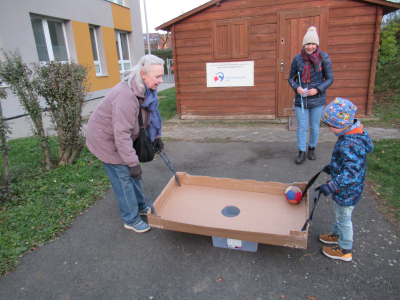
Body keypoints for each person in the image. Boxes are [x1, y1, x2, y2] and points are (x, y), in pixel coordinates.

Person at [86, 54, 165, 233]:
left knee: (132, 174)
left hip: (123, 136)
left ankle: (139, 206)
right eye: (157, 76)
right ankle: (131, 219)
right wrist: (133, 163)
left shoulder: (146, 90)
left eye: (162, 75)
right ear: (143, 74)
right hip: (106, 139)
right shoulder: (126, 96)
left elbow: (150, 117)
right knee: (124, 176)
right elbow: (120, 134)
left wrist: (157, 137)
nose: (161, 80)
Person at [318, 98, 374, 261]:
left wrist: (332, 184)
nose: (329, 128)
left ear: (342, 125)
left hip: (348, 190)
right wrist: (334, 167)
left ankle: (345, 249)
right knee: (339, 213)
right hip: (346, 188)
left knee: (343, 218)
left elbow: (351, 174)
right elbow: (349, 164)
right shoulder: (351, 134)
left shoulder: (351, 143)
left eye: (331, 125)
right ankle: (336, 235)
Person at [288, 26, 334, 164]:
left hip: (317, 99)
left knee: (314, 126)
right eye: (308, 44)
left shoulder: (324, 58)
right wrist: (297, 88)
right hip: (301, 100)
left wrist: (318, 89)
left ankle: (312, 149)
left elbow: (330, 78)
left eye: (313, 44)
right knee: (301, 127)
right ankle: (301, 152)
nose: (310, 47)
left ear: (317, 45)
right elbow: (291, 79)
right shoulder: (297, 59)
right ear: (304, 45)